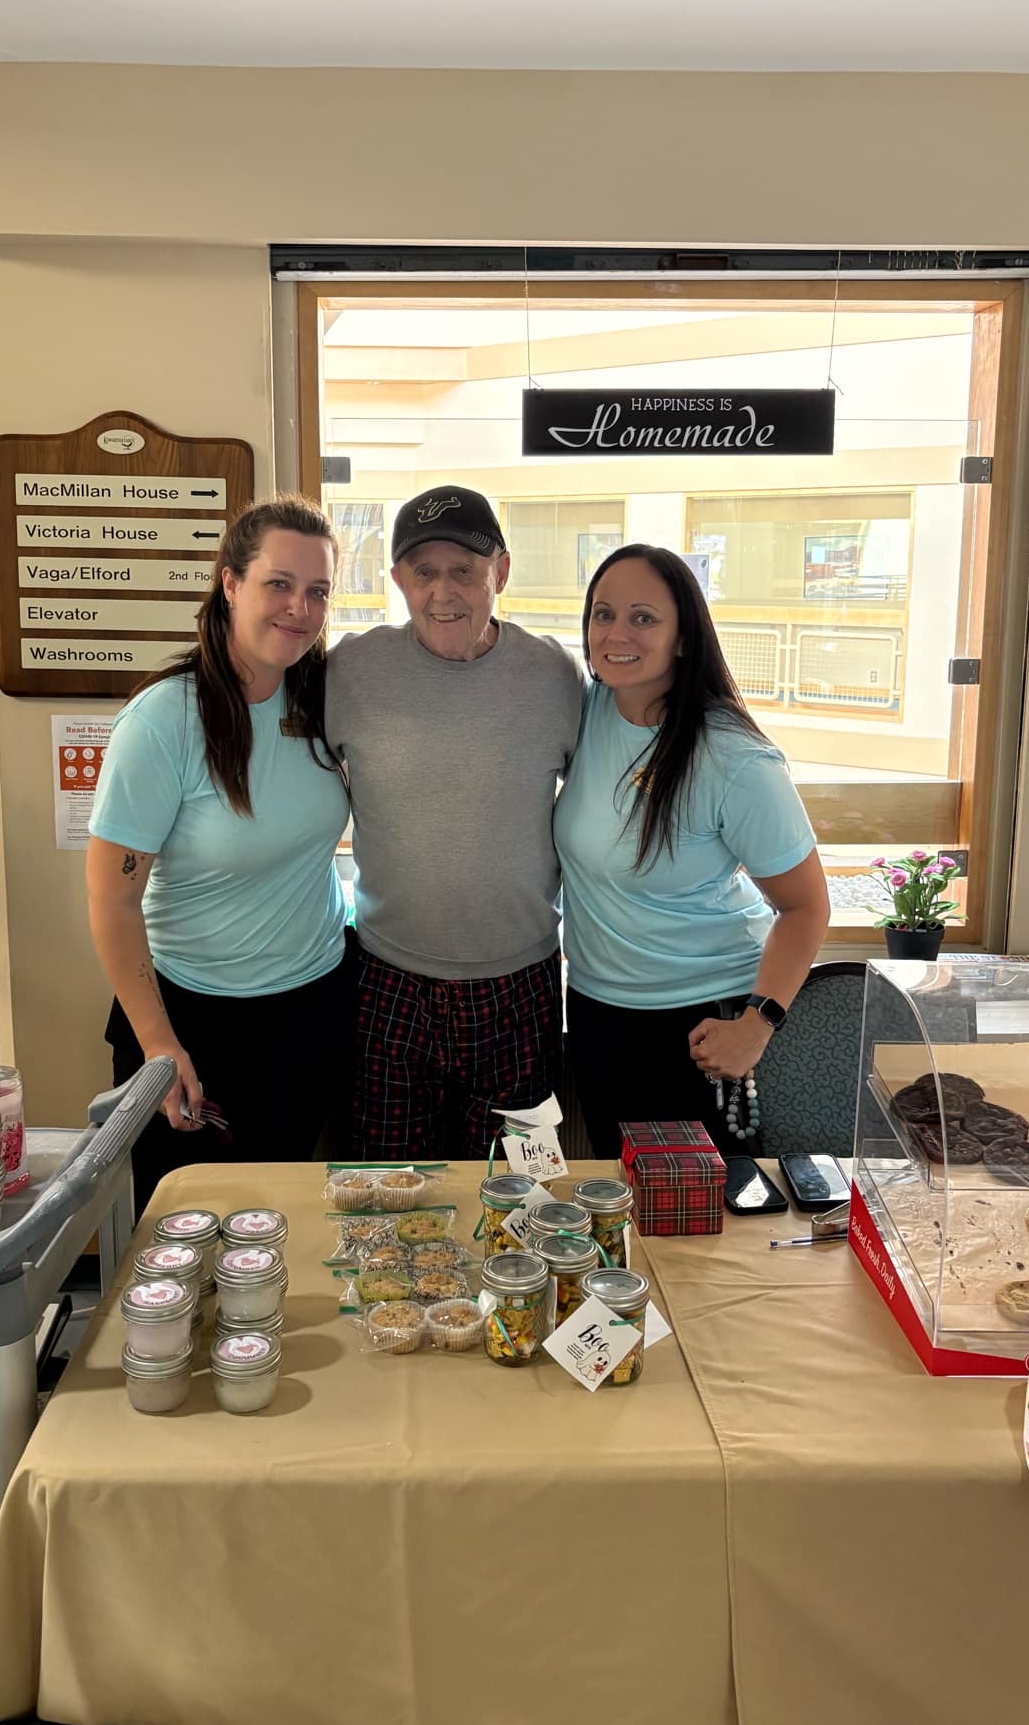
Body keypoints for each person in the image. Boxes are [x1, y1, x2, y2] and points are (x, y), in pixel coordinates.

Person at [86, 495, 356, 1205]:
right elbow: (112, 902)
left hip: (310, 1010)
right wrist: (159, 1045)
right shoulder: (163, 721)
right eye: (279, 583)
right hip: (193, 1021)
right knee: (183, 1240)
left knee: (284, 1230)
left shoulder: (325, 699)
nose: (299, 607)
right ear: (230, 583)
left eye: (318, 591)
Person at [324, 485, 583, 1157]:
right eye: (424, 572)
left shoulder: (554, 674)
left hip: (521, 985)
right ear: (397, 582)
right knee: (385, 1195)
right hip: (387, 980)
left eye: (464, 571)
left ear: (500, 571)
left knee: (518, 1199)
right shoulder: (348, 670)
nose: (444, 592)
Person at [555, 543, 830, 1158]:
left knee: (703, 1234)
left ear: (684, 637)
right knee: (621, 1212)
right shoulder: (588, 710)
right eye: (603, 614)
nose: (617, 633)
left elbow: (807, 907)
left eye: (643, 617)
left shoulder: (732, 758)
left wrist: (757, 1027)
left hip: (700, 1027)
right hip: (598, 1013)